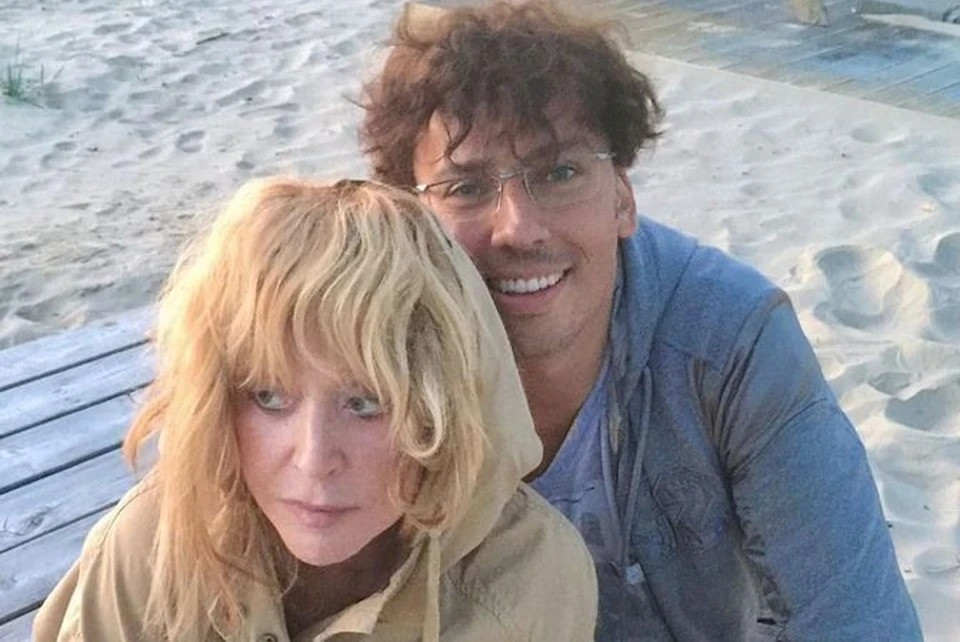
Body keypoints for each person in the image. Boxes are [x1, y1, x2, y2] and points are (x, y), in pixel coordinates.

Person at [359, 2, 923, 639]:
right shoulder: (362, 361)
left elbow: (856, 621)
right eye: (465, 187)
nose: (519, 228)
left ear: (622, 198)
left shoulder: (730, 343)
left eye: (560, 172)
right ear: (408, 216)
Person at [33, 178, 598, 641]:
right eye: (269, 397)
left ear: (444, 408)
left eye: (366, 403)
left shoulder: (531, 582)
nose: (314, 458)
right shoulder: (148, 550)